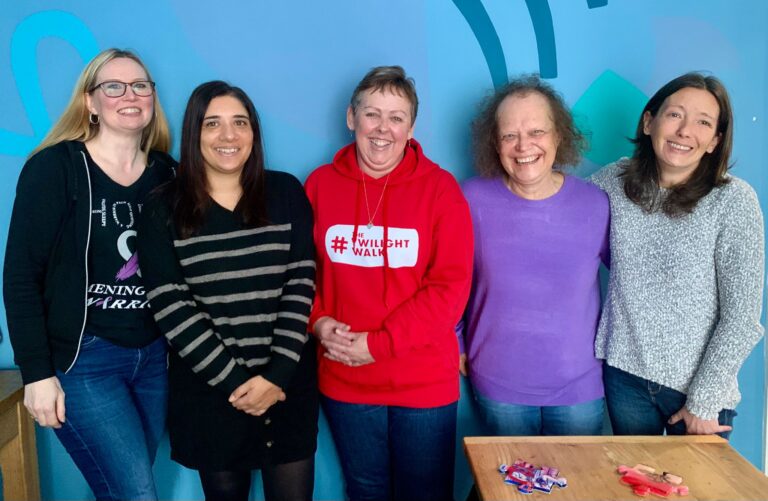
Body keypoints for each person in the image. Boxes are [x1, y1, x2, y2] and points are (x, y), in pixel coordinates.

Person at [3, 48, 175, 500]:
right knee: (136, 493)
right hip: (85, 360)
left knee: (125, 488)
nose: (129, 95)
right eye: (113, 87)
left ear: (153, 98)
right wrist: (36, 374)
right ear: (90, 103)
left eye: (140, 85)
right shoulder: (56, 168)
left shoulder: (168, 173)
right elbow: (21, 277)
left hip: (155, 357)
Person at [136, 81, 317, 501]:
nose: (228, 135)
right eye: (212, 124)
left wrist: (274, 379)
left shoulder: (286, 192)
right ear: (193, 133)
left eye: (240, 122)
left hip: (286, 386)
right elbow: (172, 307)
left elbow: (300, 284)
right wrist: (240, 384)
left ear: (254, 131)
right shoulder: (163, 207)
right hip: (211, 395)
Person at [304, 66, 473, 501]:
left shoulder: (440, 190)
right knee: (365, 489)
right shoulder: (320, 185)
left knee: (426, 493)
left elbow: (449, 289)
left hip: (422, 381)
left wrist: (378, 345)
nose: (383, 129)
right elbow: (300, 273)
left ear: (411, 126)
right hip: (344, 378)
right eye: (372, 114)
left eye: (396, 117)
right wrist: (318, 322)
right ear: (351, 118)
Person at [591, 72, 764, 438]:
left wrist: (704, 400)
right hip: (625, 377)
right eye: (675, 115)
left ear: (715, 141)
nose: (685, 130)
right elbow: (561, 214)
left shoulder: (733, 201)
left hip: (697, 389)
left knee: (695, 493)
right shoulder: (613, 180)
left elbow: (742, 317)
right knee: (633, 492)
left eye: (703, 122)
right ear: (649, 121)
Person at [460, 75, 609, 437]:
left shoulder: (596, 204)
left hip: (580, 389)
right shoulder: (470, 199)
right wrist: (454, 340)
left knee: (576, 493)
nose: (523, 145)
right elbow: (447, 276)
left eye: (537, 132)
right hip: (498, 385)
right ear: (495, 143)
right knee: (509, 492)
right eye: (510, 135)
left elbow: (633, 285)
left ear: (559, 135)